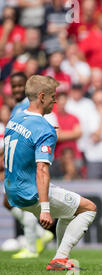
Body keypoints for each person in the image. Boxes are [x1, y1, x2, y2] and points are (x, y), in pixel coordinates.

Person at [3, 75, 97, 270]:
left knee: (69, 212)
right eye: (53, 96)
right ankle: (60, 259)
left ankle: (60, 258)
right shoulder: (45, 129)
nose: (55, 100)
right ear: (42, 96)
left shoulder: (15, 118)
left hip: (11, 190)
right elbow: (42, 169)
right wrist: (45, 209)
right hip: (31, 192)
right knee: (89, 208)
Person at [2, 72, 54, 259]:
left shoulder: (32, 107)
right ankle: (39, 236)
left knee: (23, 201)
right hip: (18, 160)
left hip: (30, 162)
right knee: (10, 201)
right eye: (13, 86)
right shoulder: (18, 107)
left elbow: (49, 130)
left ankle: (32, 246)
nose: (16, 89)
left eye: (19, 86)